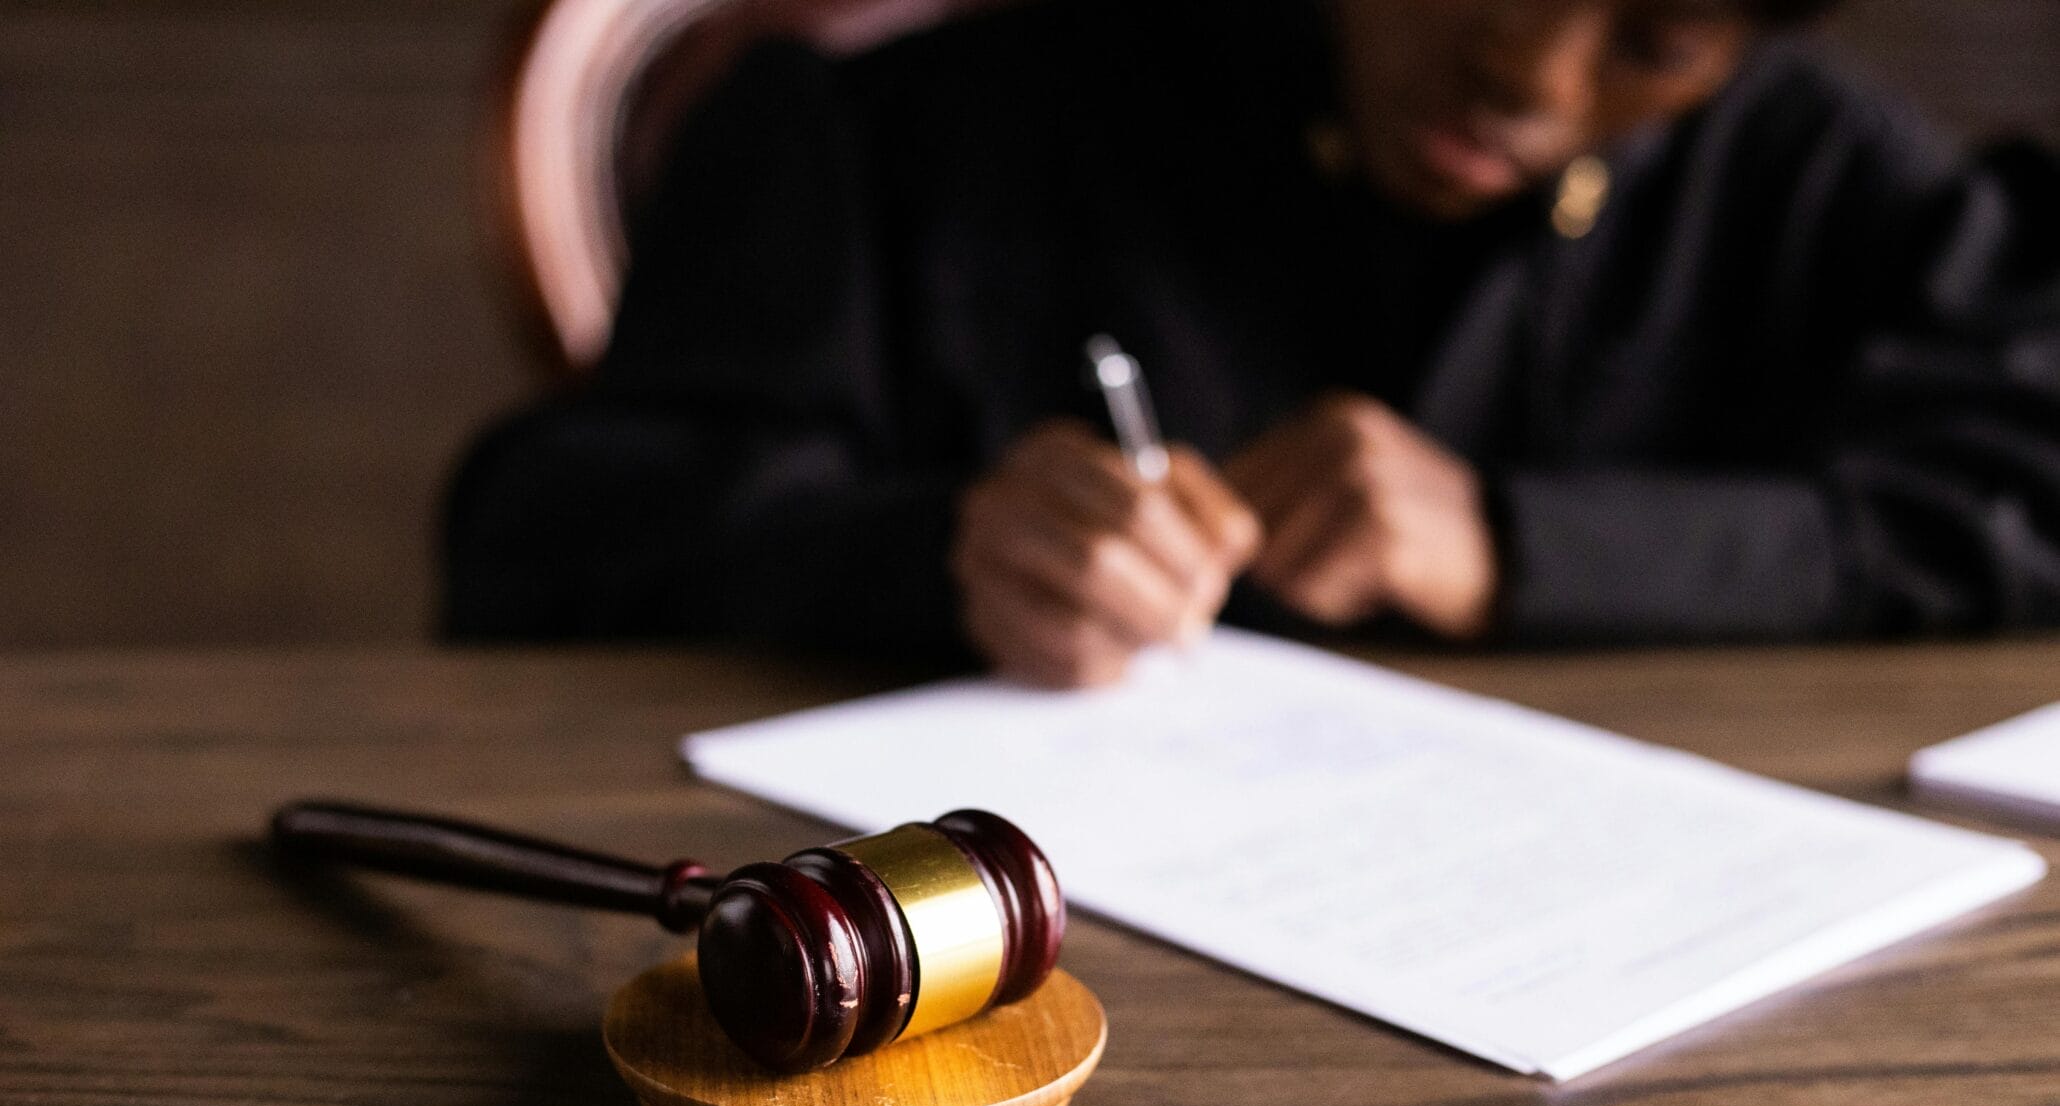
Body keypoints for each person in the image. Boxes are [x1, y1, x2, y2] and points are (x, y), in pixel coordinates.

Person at [445, 0, 2060, 686]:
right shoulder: (923, 127)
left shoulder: (1808, 172)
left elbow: (2020, 500)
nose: (1530, 74)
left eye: (1656, 37)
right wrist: (935, 551)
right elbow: (542, 536)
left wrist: (1525, 546)